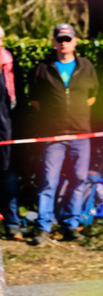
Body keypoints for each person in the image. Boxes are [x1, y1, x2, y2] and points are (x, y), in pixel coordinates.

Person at [27, 23, 98, 245]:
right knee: (49, 181)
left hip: (80, 135)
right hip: (53, 136)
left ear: (75, 41)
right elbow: (35, 100)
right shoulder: (42, 68)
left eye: (68, 39)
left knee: (79, 179)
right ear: (53, 42)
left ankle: (71, 225)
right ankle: (43, 227)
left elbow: (92, 96)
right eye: (60, 39)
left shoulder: (86, 67)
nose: (63, 43)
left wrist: (77, 117)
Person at [0, 26, 21, 239]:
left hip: (6, 132)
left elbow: (19, 101)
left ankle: (12, 223)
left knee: (8, 178)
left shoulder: (11, 65)